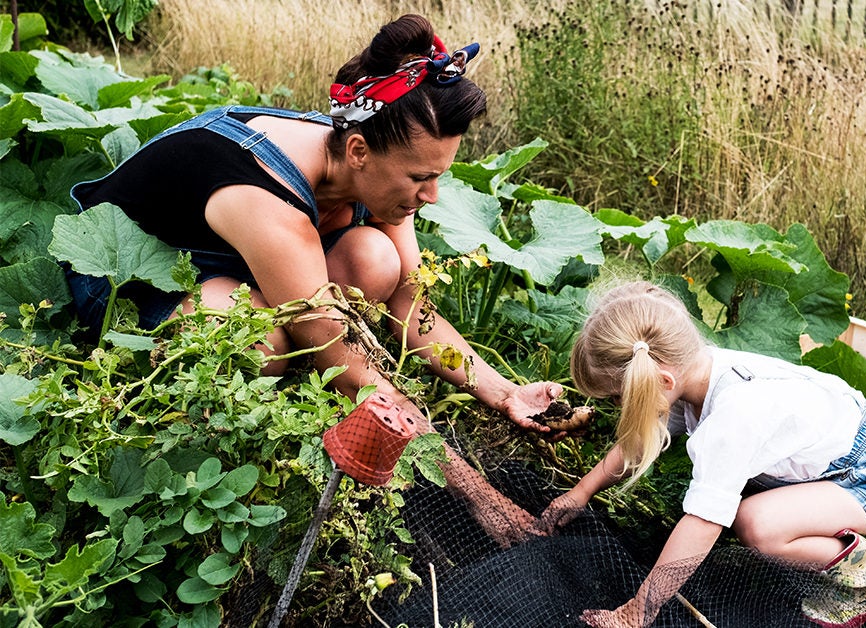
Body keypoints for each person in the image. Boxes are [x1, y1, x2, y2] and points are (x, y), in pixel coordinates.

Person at [66, 14, 560, 544]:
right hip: (126, 273)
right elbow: (344, 361)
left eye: (439, 176)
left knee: (376, 259)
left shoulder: (376, 147)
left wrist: (503, 391)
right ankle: (189, 413)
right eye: (421, 178)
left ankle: (280, 316)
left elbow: (410, 296)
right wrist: (480, 497)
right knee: (263, 340)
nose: (432, 195)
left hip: (235, 257)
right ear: (358, 153)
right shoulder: (269, 196)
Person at [538, 281, 866, 627]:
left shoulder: (734, 416)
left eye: (619, 397)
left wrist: (635, 613)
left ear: (662, 382)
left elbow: (703, 522)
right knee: (743, 507)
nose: (620, 407)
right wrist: (581, 492)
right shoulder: (697, 371)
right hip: (843, 449)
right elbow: (640, 441)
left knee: (756, 525)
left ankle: (865, 575)